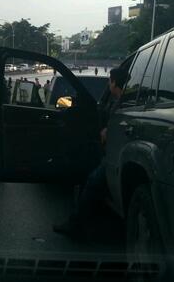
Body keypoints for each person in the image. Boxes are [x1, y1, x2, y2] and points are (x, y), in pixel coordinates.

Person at [53, 67, 127, 239]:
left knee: (92, 183)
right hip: (112, 154)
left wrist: (108, 130)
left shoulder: (121, 103)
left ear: (114, 82)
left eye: (110, 81)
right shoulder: (118, 101)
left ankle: (76, 225)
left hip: (113, 156)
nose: (109, 84)